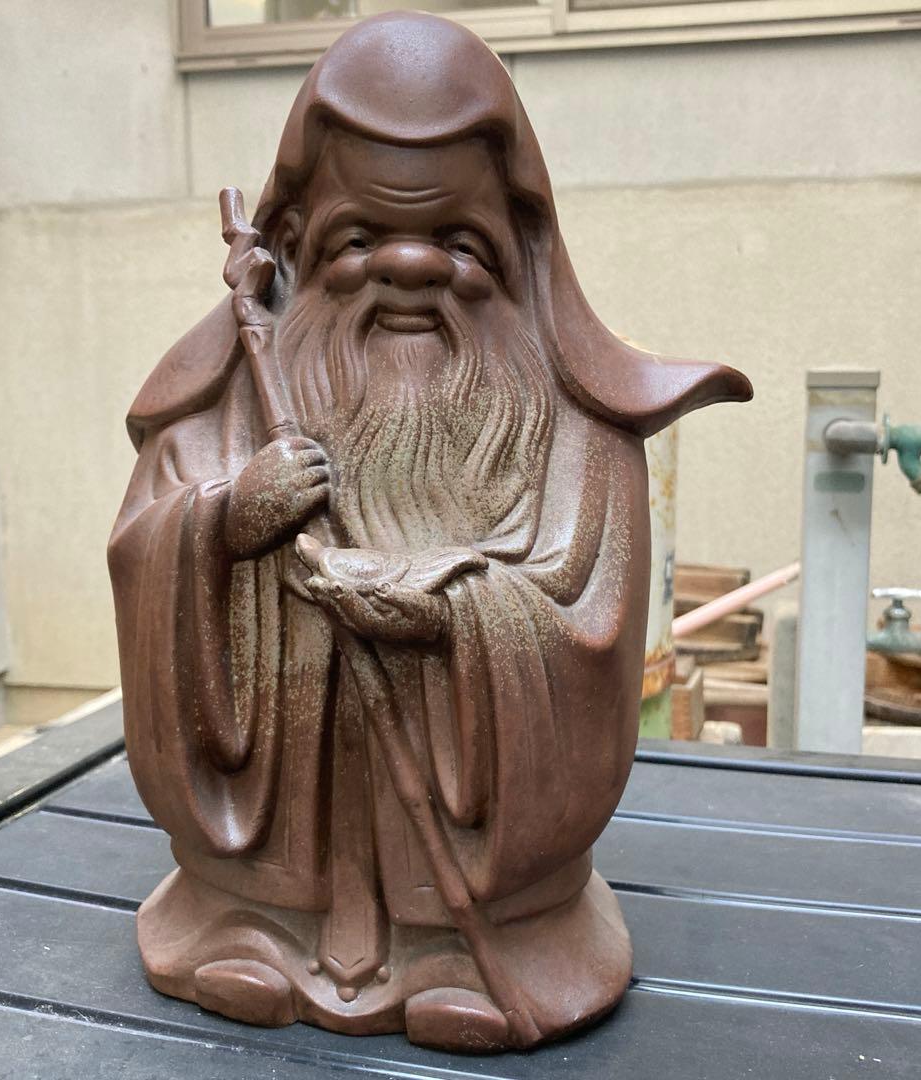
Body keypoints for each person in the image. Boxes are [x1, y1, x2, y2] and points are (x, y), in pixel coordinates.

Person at [109, 11, 750, 1052]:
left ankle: (463, 945)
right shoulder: (224, 403)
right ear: (293, 247)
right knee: (246, 922)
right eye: (360, 238)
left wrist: (454, 612)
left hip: (495, 894)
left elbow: (585, 621)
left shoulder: (579, 437)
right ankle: (258, 922)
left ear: (519, 249)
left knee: (487, 924)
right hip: (255, 878)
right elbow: (147, 547)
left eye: (457, 241)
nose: (409, 266)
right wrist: (223, 524)